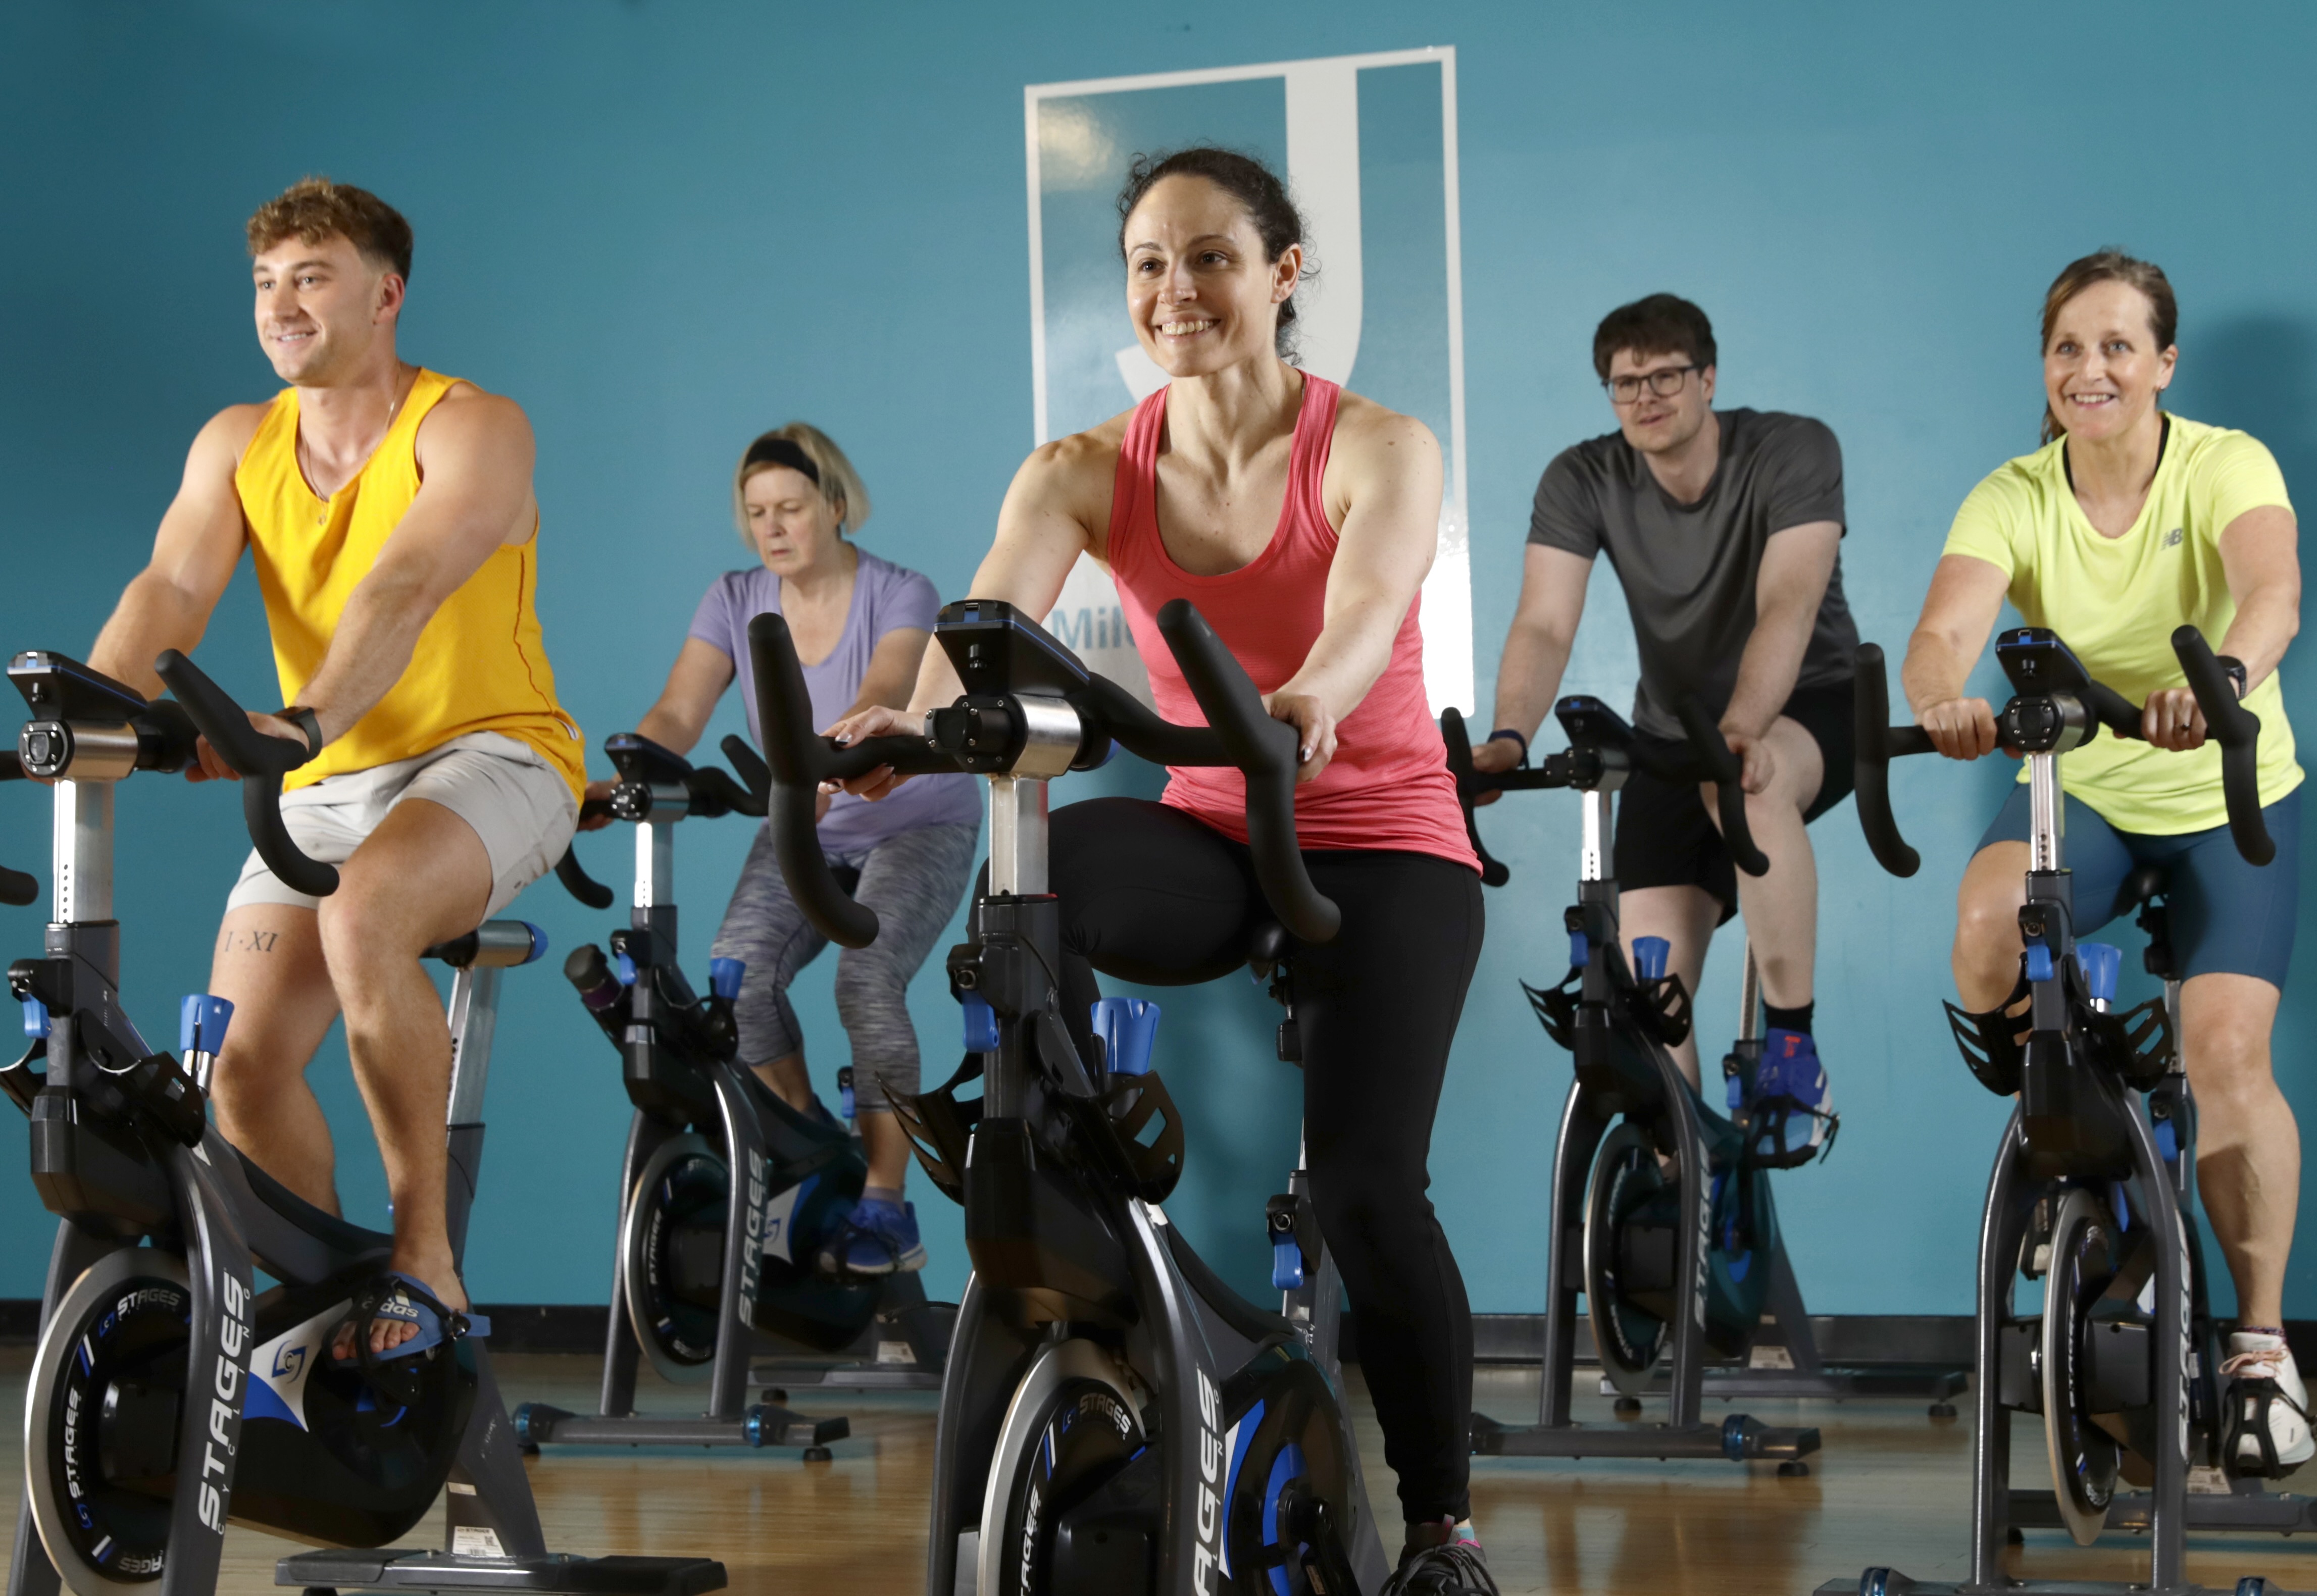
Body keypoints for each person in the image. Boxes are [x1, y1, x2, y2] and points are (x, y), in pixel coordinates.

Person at [830, 147, 1498, 1595]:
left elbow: (1370, 604)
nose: (1173, 289)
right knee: (1047, 875)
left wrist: (1310, 699)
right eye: (1146, 261)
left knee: (1367, 1193)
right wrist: (914, 714)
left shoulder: (1377, 444)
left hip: (1379, 834)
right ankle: (1073, 1162)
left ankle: (1442, 1524)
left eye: (1207, 257)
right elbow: (986, 616)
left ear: (1281, 272)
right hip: (1212, 823)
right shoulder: (1085, 466)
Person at [81, 177, 583, 1359]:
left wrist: (299, 720)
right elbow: (171, 588)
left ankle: (424, 1266)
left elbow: (405, 584)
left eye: (310, 277)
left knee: (365, 920)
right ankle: (330, 1303)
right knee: (241, 1069)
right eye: (265, 282)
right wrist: (95, 712)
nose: (280, 304)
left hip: (493, 756)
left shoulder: (471, 427)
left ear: (386, 293)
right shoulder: (239, 441)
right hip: (319, 780)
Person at [1905, 248, 2315, 1469]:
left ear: (2162, 364)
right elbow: (1943, 630)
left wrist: (2222, 682)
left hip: (2223, 786)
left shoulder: (2224, 462)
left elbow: (2272, 592)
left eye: (2116, 347)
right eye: (2067, 349)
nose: (2090, 370)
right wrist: (1939, 699)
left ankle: (2257, 1348)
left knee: (2227, 1050)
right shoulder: (2012, 493)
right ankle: (2084, 1142)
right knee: (1985, 937)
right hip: (2077, 786)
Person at [581, 423, 979, 1273]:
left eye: (791, 507)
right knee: (738, 977)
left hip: (916, 818)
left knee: (865, 980)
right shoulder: (734, 598)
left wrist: (833, 754)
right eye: (758, 512)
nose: (774, 527)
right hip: (803, 822)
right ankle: (811, 1150)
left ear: (836, 506)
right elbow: (678, 714)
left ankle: (884, 1200)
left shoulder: (901, 590)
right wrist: (616, 781)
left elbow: (888, 686)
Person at [1472, 292, 1855, 1156]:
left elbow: (1788, 605)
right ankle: (1686, 1160)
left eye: (1666, 377)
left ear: (1708, 377)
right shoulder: (1584, 476)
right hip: (1675, 736)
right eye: (1624, 383)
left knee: (1747, 797)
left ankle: (1792, 1044)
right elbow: (1544, 622)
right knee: (1650, 987)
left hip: (1810, 701)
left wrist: (1745, 728)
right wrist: (1508, 739)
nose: (1645, 397)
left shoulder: (1793, 448)